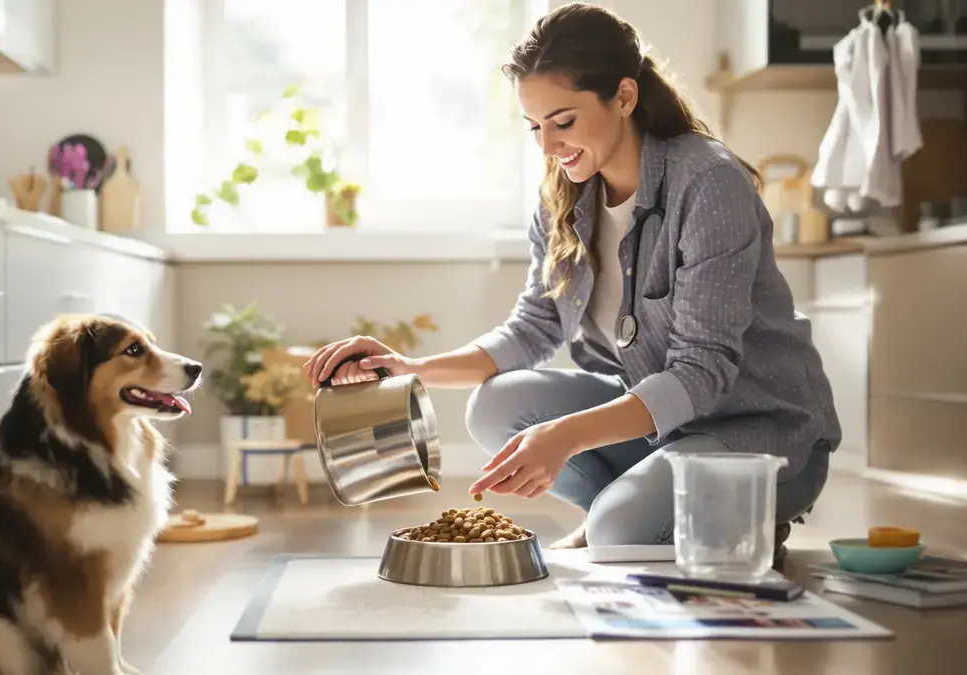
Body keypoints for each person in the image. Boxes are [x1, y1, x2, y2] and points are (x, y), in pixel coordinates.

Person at [303, 2, 840, 559]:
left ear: (624, 97)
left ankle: (684, 520)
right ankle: (633, 510)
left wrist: (564, 435)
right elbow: (533, 328)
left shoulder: (708, 182)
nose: (547, 146)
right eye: (535, 127)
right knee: (494, 406)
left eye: (562, 122)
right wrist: (411, 368)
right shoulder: (565, 196)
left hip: (757, 431)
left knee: (616, 534)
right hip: (668, 429)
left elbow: (702, 374)